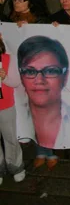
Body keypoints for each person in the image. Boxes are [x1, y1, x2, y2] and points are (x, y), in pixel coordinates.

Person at [17, 36, 70, 153]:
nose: (40, 80)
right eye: (30, 71)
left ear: (65, 77)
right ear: (21, 77)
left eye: (51, 71)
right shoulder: (15, 118)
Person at [0, 38, 26, 185]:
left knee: (10, 138)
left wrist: (4, 77)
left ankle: (16, 167)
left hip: (5, 106)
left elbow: (15, 82)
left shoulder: (9, 59)